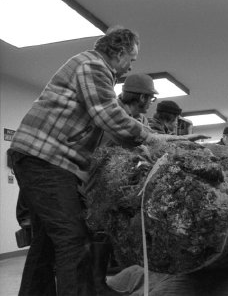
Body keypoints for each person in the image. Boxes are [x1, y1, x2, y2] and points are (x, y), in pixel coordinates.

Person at [8, 26, 194, 296]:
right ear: (119, 52)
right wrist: (153, 140)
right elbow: (107, 115)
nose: (130, 66)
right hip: (45, 158)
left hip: (44, 158)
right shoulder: (93, 66)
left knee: (47, 242)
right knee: (73, 240)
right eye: (131, 59)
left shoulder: (89, 67)